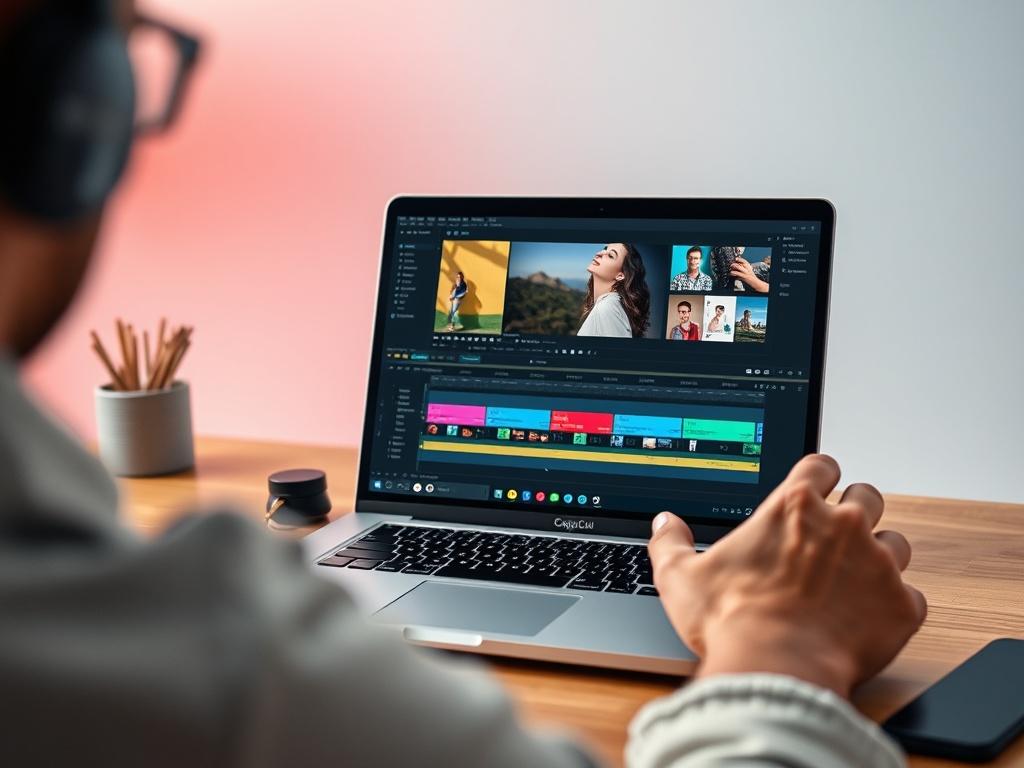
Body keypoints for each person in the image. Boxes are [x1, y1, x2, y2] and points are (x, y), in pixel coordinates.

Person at [0, 3, 926, 766]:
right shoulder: (188, 643)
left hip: (652, 545)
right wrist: (781, 647)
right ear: (70, 114)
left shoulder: (629, 318)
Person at [577, 242, 651, 338]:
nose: (599, 253)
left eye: (611, 255)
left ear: (620, 275)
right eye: (605, 249)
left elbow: (620, 352)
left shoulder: (608, 307)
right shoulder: (610, 304)